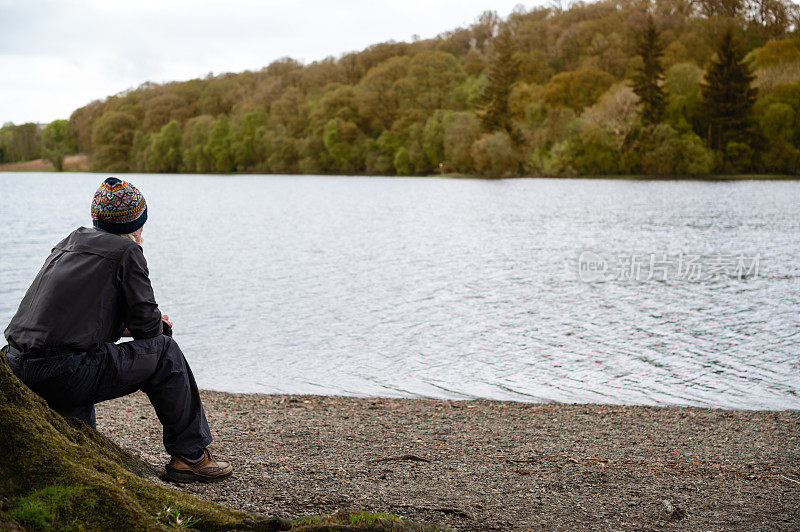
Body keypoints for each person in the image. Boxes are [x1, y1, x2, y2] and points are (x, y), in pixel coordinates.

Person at [1, 177, 232, 483]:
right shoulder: (127, 251)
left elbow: (69, 319)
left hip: (15, 364)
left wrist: (124, 326)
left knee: (84, 356)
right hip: (62, 372)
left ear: (96, 218)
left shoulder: (69, 242)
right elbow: (149, 332)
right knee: (165, 351)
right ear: (138, 221)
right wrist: (158, 326)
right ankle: (190, 456)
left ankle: (80, 447)